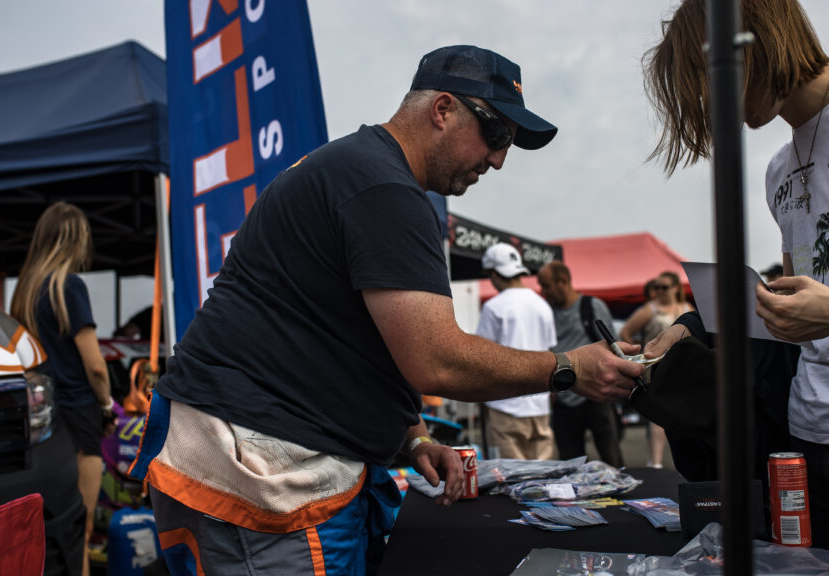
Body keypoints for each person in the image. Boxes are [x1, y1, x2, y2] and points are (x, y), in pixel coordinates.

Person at [129, 45, 646, 575]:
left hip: (248, 453)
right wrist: (569, 368)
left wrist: (413, 435)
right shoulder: (382, 187)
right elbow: (436, 360)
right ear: (442, 109)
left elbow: (356, 337)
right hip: (261, 473)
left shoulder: (361, 171)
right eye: (496, 134)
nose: (498, 159)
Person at [643, 0, 829, 554]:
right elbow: (792, 303)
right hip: (809, 437)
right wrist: (693, 327)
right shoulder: (778, 168)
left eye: (709, 80)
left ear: (754, 43)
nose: (712, 103)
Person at [10, 201, 117, 576]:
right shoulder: (68, 287)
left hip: (41, 419)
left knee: (45, 535)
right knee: (79, 533)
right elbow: (95, 366)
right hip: (79, 414)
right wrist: (107, 407)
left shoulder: (25, 293)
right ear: (77, 240)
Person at [538, 260, 624, 467]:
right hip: (563, 397)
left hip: (597, 394)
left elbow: (614, 346)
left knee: (611, 458)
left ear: (563, 281)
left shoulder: (592, 306)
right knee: (570, 464)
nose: (543, 292)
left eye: (546, 286)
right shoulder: (545, 312)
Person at [477, 242, 558, 460]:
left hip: (504, 404)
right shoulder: (542, 305)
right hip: (539, 405)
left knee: (509, 475)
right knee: (542, 475)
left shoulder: (493, 307)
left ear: (495, 274)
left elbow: (482, 356)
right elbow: (550, 352)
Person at [619, 271, 692, 468]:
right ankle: (656, 462)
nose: (659, 291)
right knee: (659, 414)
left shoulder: (687, 308)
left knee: (684, 413)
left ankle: (686, 461)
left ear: (675, 288)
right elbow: (626, 331)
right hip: (657, 367)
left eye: (664, 287)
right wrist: (638, 354)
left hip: (683, 369)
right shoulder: (650, 309)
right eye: (656, 287)